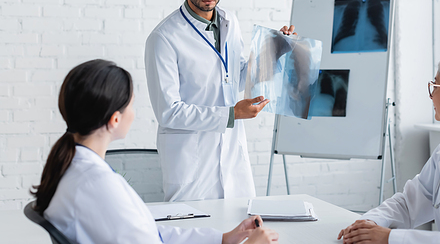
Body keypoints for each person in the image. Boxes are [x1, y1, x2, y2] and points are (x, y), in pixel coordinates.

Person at [30, 59, 279, 244]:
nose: (134, 113)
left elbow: (150, 233)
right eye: (131, 104)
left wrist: (223, 239)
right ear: (115, 119)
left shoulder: (75, 167)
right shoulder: (97, 185)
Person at [145, 0, 296, 201]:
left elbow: (235, 75)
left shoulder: (229, 21)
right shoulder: (163, 38)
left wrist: (275, 51)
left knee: (241, 227)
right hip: (190, 160)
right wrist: (232, 114)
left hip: (231, 152)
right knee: (194, 233)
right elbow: (168, 111)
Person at [338, 51, 440, 244]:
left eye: (435, 86)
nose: (431, 95)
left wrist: (390, 238)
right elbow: (409, 203)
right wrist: (368, 223)